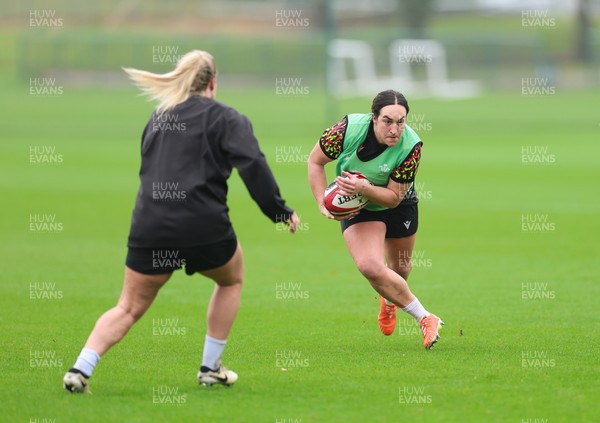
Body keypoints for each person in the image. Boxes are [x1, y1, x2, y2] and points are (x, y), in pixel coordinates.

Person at [63, 50, 300, 393]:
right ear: (214, 83)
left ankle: (80, 369)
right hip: (203, 225)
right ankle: (209, 367)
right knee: (231, 280)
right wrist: (279, 211)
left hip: (150, 226)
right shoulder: (228, 118)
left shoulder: (158, 117)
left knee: (128, 307)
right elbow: (253, 165)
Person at [307, 90, 443, 349]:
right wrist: (321, 202)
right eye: (388, 121)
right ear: (373, 118)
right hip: (357, 204)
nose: (395, 129)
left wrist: (364, 188)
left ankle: (389, 299)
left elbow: (392, 198)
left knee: (400, 269)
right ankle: (425, 317)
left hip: (396, 201)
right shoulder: (347, 130)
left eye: (401, 122)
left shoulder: (411, 147)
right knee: (370, 266)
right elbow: (315, 161)